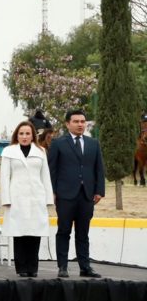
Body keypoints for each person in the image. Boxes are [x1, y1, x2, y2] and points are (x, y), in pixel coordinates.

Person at [47, 109, 104, 278]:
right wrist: (52, 192)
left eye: (83, 121)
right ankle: (62, 267)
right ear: (67, 124)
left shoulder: (93, 143)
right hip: (65, 195)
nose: (80, 124)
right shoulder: (58, 143)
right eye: (76, 121)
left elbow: (99, 169)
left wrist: (99, 191)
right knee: (63, 231)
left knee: (83, 233)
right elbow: (52, 170)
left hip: (87, 196)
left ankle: (85, 267)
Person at [0, 120, 53, 278]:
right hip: (17, 198)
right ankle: (21, 267)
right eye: (21, 133)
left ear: (33, 135)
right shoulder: (9, 151)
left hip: (36, 197)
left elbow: (45, 176)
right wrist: (6, 199)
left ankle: (33, 268)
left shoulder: (41, 151)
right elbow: (4, 177)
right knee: (19, 233)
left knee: (35, 233)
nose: (24, 136)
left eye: (27, 133)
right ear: (17, 135)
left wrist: (48, 199)